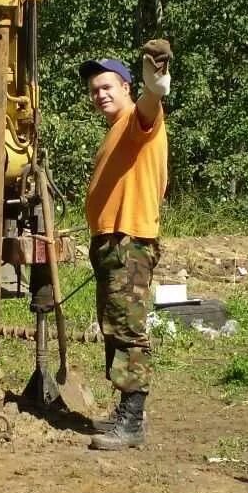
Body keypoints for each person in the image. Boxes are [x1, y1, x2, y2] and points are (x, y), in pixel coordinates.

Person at [78, 38, 172, 450]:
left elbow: (151, 109)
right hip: (114, 243)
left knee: (129, 330)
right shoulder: (117, 129)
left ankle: (132, 421)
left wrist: (156, 87)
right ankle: (124, 412)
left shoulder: (138, 118)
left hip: (129, 241)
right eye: (95, 90)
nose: (100, 95)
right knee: (115, 327)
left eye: (107, 87)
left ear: (127, 88)